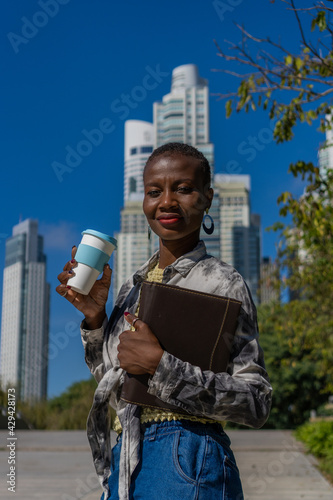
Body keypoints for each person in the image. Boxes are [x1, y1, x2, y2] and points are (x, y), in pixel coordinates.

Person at [56, 143, 272, 500]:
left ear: (207, 198)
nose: (167, 201)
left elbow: (256, 403)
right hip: (126, 456)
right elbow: (117, 388)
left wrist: (162, 367)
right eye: (154, 191)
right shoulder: (133, 283)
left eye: (183, 189)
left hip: (188, 456)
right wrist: (95, 318)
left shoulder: (223, 283)